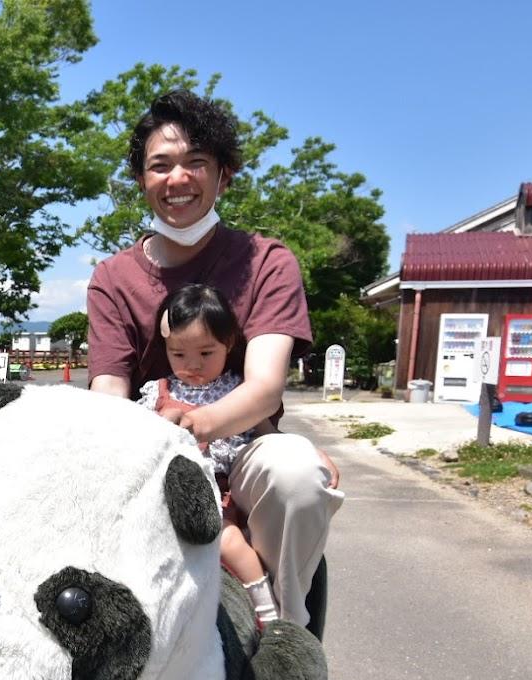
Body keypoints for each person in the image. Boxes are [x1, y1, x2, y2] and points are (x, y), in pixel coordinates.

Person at [87, 89, 343, 628]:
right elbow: (107, 391)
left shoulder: (267, 261)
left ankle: (287, 636)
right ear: (141, 180)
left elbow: (265, 387)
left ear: (224, 175)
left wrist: (193, 425)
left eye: (195, 163)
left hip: (244, 447)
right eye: (160, 166)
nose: (177, 178)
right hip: (145, 453)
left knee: (297, 472)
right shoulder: (113, 278)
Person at [139, 283, 279, 626]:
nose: (192, 365)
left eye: (205, 353)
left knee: (228, 541)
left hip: (217, 493)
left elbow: (270, 436)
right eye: (179, 354)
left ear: (228, 344)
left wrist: (309, 452)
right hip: (167, 494)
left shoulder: (238, 393)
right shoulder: (157, 392)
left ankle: (267, 611)